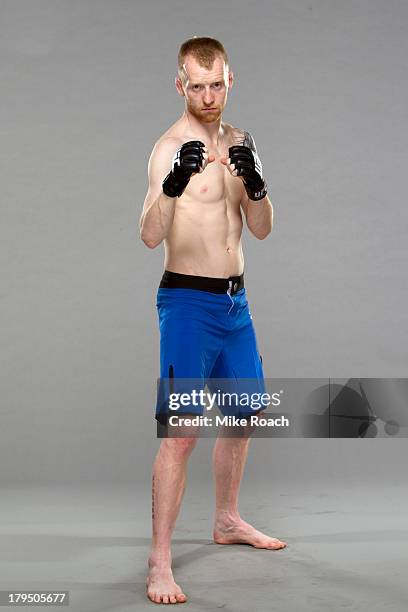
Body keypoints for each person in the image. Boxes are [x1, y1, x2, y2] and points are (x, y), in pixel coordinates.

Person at [139, 36, 287, 606]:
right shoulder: (166, 147)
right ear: (180, 85)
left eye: (216, 84)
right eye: (196, 85)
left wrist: (257, 184)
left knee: (244, 415)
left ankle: (226, 519)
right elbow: (150, 235)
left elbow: (263, 228)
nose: (207, 96)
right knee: (181, 434)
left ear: (231, 80)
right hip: (187, 305)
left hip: (235, 304)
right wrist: (174, 186)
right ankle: (159, 560)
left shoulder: (242, 141)